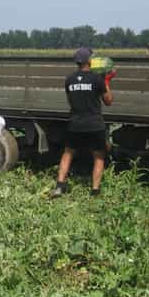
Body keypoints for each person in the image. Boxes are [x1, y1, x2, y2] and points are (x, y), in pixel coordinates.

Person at [50, 47, 115, 198]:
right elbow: (108, 101)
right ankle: (95, 191)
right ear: (89, 61)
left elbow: (70, 102)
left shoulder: (69, 80)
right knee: (98, 156)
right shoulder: (97, 79)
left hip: (75, 123)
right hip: (94, 124)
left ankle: (59, 186)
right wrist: (106, 81)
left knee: (68, 153)